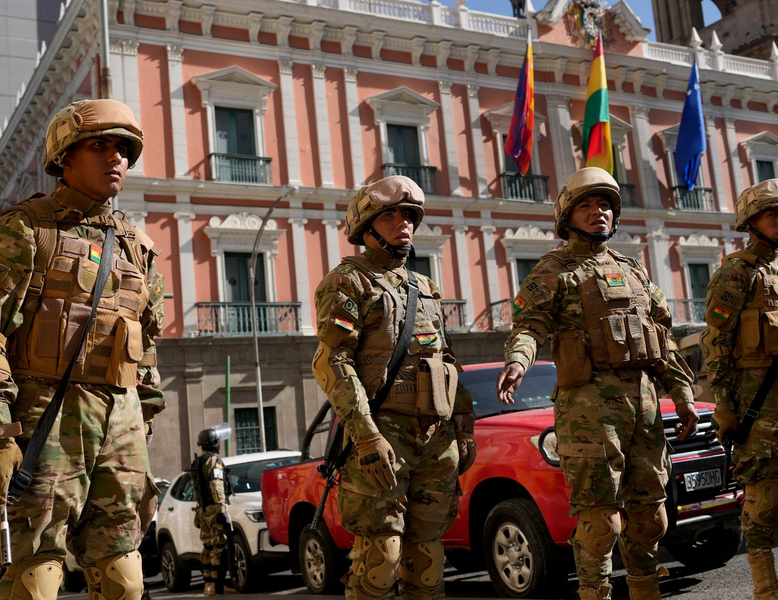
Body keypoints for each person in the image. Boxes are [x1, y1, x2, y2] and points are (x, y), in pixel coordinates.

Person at [0, 98, 165, 600]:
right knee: (37, 576)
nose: (116, 159)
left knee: (124, 580)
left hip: (120, 425)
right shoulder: (25, 230)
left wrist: (142, 423)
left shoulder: (136, 248)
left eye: (124, 149)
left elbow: (145, 347)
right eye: (100, 145)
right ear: (64, 156)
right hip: (45, 418)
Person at [496, 167, 698, 600]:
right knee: (600, 520)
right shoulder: (554, 269)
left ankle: (645, 591)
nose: (598, 212)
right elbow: (529, 326)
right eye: (586, 205)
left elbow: (664, 338)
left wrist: (682, 394)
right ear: (568, 215)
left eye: (604, 204)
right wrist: (518, 361)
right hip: (588, 411)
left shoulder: (634, 271)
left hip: (643, 406)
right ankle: (595, 592)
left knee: (652, 516)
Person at [312, 175, 476, 600]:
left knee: (428, 563)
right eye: (390, 216)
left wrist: (463, 426)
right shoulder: (348, 281)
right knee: (380, 561)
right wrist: (365, 437)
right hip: (382, 439)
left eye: (409, 215)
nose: (403, 223)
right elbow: (333, 361)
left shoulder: (426, 288)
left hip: (435, 441)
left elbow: (447, 362)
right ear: (367, 228)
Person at [702, 178, 778, 600]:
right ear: (752, 222)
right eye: (773, 214)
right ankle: (767, 591)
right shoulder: (738, 272)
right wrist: (727, 409)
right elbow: (716, 344)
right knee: (763, 505)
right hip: (758, 409)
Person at [189, 424, 232, 597]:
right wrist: (222, 510)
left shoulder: (197, 462)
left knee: (207, 547)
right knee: (219, 547)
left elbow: (197, 490)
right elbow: (216, 485)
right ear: (214, 443)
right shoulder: (213, 461)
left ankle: (208, 586)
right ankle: (218, 587)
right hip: (214, 509)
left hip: (203, 510)